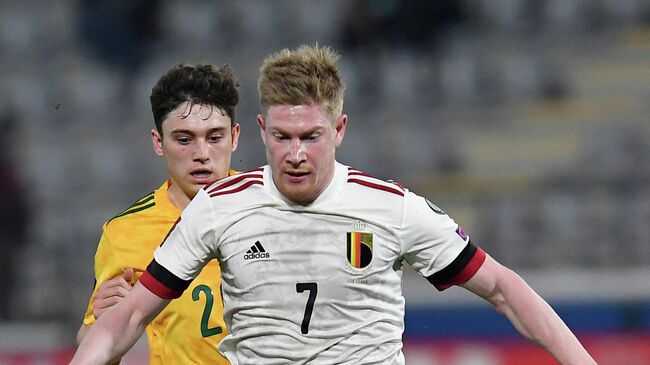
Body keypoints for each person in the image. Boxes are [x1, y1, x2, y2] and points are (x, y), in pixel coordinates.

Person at [70, 45, 597, 365]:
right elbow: (130, 316)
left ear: (340, 129)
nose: (296, 155)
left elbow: (504, 287)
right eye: (281, 137)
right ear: (259, 130)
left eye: (311, 136)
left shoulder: (392, 209)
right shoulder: (219, 209)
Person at [75, 63, 240, 364]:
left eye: (215, 138)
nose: (201, 154)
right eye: (184, 139)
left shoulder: (267, 207)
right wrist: (101, 321)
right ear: (158, 142)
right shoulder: (124, 233)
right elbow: (95, 341)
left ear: (235, 137)